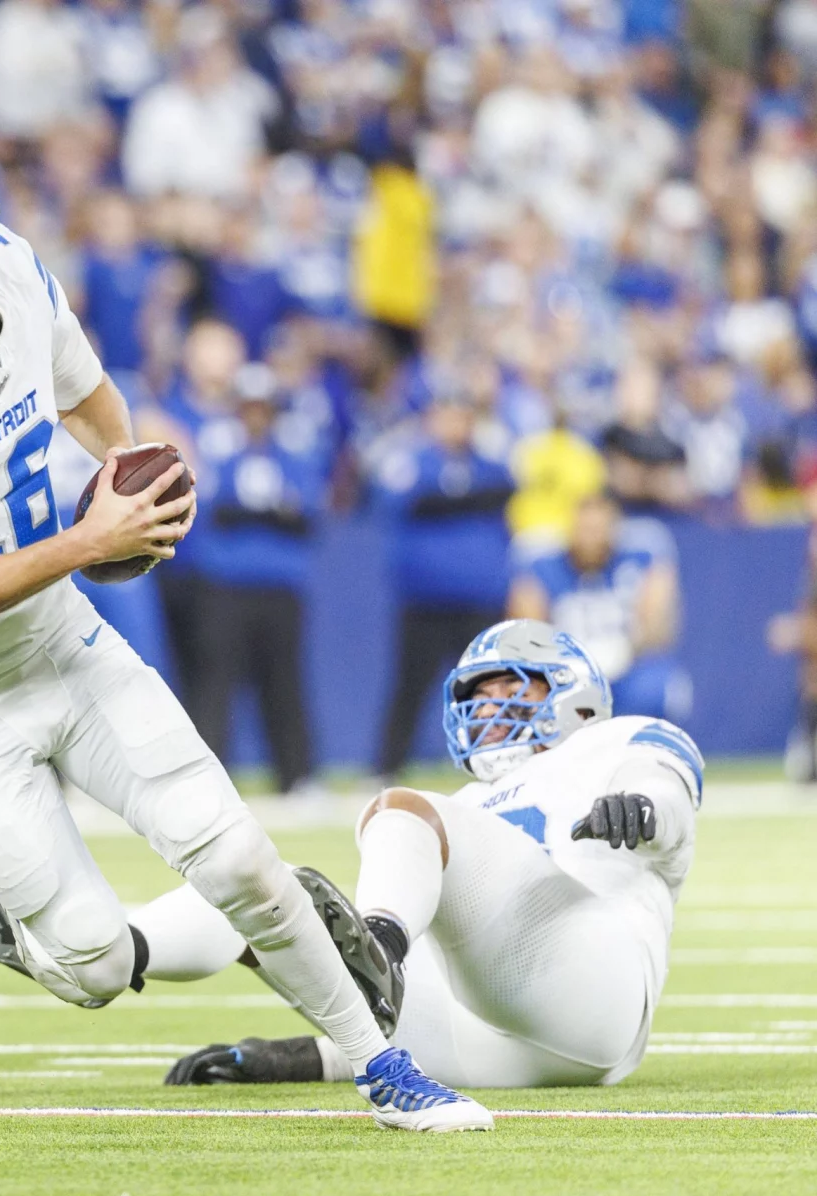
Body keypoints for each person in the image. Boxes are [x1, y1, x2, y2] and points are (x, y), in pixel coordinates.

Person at [0, 129, 489, 1132]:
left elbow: (86, 397)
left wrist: (132, 479)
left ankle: (383, 1067)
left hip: (55, 636)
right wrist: (89, 538)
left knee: (238, 854)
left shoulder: (24, 281)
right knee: (92, 964)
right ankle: (32, 929)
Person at [131, 620, 699, 1090]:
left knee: (403, 810)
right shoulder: (470, 801)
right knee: (260, 887)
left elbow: (669, 787)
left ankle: (376, 951)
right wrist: (305, 1058)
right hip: (497, 1044)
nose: (486, 706)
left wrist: (645, 809)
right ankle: (99, 950)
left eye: (510, 687)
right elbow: (438, 988)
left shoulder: (609, 744)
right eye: (477, 695)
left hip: (597, 992)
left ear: (572, 695)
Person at [157, 361, 324, 795]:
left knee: (284, 685)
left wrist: (257, 514)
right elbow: (214, 508)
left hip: (279, 588)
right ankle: (207, 782)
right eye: (248, 406)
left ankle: (297, 778)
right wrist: (270, 513)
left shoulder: (292, 453)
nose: (255, 415)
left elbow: (305, 516)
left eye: (262, 407)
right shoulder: (215, 448)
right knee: (215, 686)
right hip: (225, 588)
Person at [372, 392, 515, 780]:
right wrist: (463, 501)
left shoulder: (490, 464)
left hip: (480, 598)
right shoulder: (412, 461)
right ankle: (386, 767)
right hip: (425, 600)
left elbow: (508, 489)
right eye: (449, 414)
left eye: (463, 415)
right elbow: (400, 499)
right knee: (410, 687)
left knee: (489, 689)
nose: (456, 424)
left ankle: (498, 761)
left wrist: (451, 501)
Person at [508, 489, 690, 722]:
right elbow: (525, 633)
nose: (591, 539)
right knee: (528, 689)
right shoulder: (542, 564)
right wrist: (569, 663)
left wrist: (624, 649)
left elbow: (658, 626)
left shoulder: (641, 556)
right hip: (563, 673)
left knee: (655, 686)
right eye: (585, 530)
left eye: (598, 530)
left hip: (629, 666)